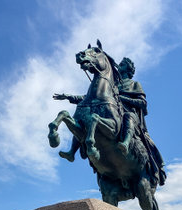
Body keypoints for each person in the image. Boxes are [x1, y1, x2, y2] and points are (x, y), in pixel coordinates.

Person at [55, 57, 166, 186]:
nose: (120, 64)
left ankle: (125, 143)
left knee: (128, 117)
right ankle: (72, 152)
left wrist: (122, 98)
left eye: (123, 64)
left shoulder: (134, 84)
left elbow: (143, 103)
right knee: (85, 116)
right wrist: (68, 96)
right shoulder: (111, 83)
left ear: (129, 69)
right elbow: (89, 97)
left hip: (126, 113)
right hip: (111, 112)